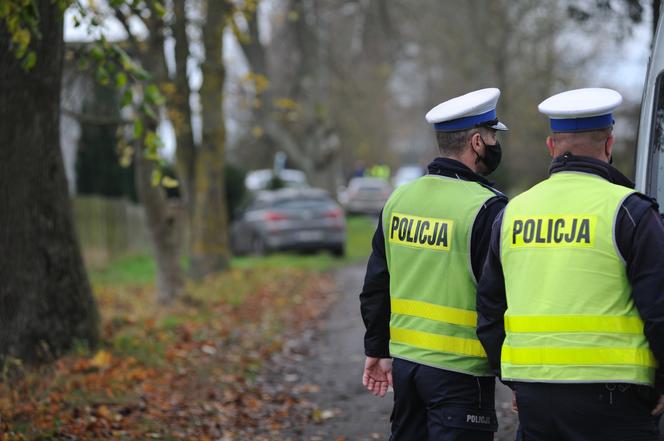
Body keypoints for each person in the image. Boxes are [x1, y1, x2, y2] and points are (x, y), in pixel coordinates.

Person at [476, 88, 664, 441]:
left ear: (552, 146)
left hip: (535, 401)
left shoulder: (512, 212)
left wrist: (514, 377)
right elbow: (659, 311)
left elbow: (488, 309)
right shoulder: (630, 211)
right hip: (617, 402)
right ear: (609, 144)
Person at [360, 88, 508, 440]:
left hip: (408, 369)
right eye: (492, 135)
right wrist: (514, 374)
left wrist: (377, 349)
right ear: (476, 142)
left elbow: (376, 284)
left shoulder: (401, 197)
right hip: (462, 374)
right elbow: (499, 299)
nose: (494, 142)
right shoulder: (488, 208)